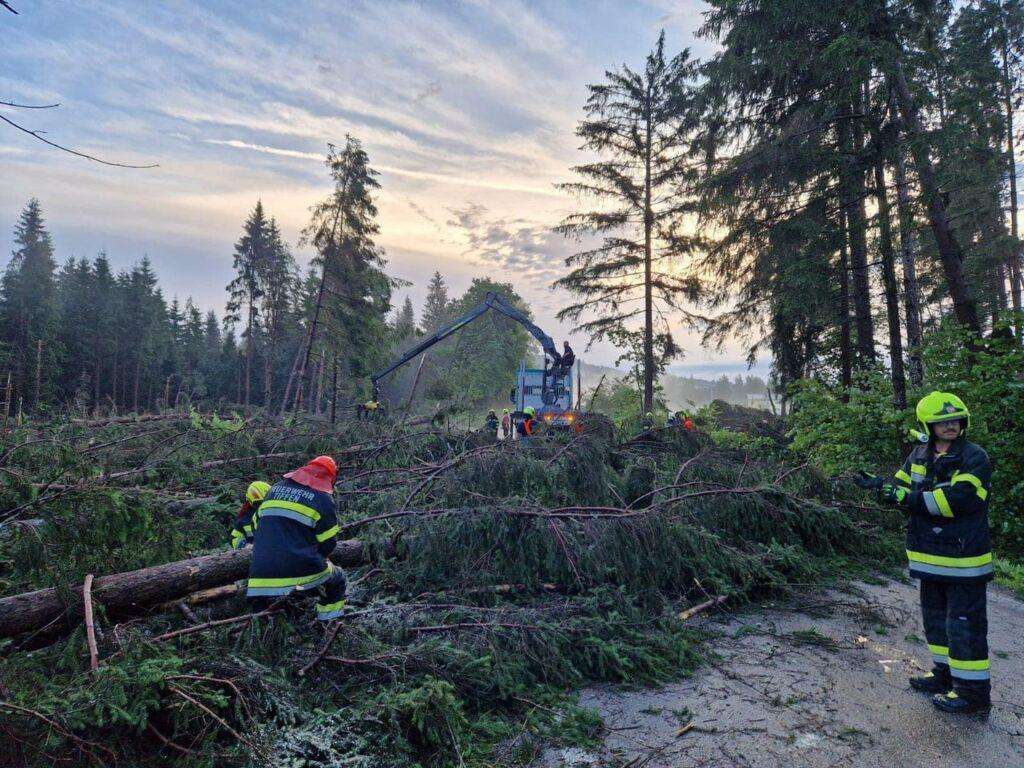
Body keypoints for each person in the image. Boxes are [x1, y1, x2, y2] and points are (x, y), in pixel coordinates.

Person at [857, 392, 992, 715]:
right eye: (942, 421)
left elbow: (954, 501)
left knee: (964, 627)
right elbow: (900, 489)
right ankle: (945, 675)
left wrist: (903, 496)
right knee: (936, 622)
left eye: (955, 420)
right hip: (929, 559)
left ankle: (973, 694)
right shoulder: (919, 455)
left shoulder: (974, 457)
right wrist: (880, 487)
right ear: (928, 425)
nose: (950, 425)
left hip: (963, 563)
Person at [246, 455, 347, 621]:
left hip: (258, 578)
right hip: (301, 573)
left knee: (262, 614)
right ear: (330, 478)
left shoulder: (274, 489)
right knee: (337, 578)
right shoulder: (323, 500)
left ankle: (260, 636)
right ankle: (330, 624)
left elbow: (255, 527)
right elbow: (328, 543)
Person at [229, 480, 270, 549]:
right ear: (251, 502)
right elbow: (234, 539)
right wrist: (244, 545)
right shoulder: (245, 519)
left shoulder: (273, 514)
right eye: (258, 504)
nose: (261, 507)